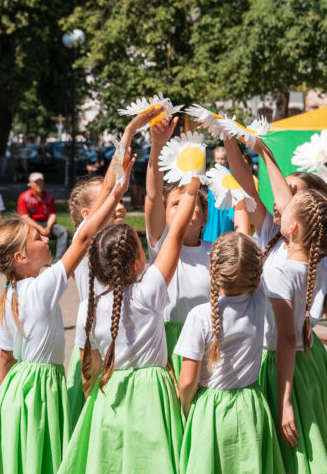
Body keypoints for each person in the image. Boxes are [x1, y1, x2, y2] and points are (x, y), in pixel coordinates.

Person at [0, 153, 133, 474]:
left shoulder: (9, 294)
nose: (46, 237)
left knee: (25, 450)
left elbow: (6, 357)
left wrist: (4, 401)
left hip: (17, 385)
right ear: (21, 256)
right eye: (37, 238)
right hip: (43, 383)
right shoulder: (43, 286)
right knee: (45, 450)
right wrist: (114, 191)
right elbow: (85, 236)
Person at [58, 178, 201, 474]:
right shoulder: (149, 289)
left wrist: (93, 399)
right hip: (154, 392)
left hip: (110, 391)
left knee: (111, 461)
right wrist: (193, 181)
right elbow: (175, 233)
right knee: (155, 461)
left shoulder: (88, 307)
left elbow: (91, 369)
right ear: (138, 263)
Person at [225, 136, 327, 462]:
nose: (280, 197)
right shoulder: (277, 237)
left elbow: (284, 336)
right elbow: (248, 189)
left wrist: (265, 150)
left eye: (291, 193)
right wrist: (228, 137)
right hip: (284, 356)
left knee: (292, 455)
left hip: (286, 359)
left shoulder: (314, 256)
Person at [64, 105, 160, 429]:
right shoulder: (86, 238)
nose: (118, 204)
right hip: (95, 341)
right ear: (88, 213)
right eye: (110, 201)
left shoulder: (119, 240)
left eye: (120, 200)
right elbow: (108, 186)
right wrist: (129, 131)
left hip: (125, 338)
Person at [175, 231, 284, 474]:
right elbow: (248, 257)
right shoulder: (258, 301)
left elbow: (187, 381)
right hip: (251, 407)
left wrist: (184, 410)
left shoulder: (199, 316)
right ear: (256, 275)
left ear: (211, 271)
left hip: (210, 412)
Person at [145, 116, 211, 375]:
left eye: (190, 204)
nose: (184, 208)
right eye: (175, 204)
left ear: (204, 217)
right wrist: (157, 146)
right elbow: (152, 194)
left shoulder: (213, 251)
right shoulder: (162, 246)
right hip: (168, 338)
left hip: (206, 339)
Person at [17, 172, 68, 261]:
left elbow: (52, 214)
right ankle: (31, 260)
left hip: (47, 224)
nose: (39, 185)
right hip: (32, 225)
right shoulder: (24, 197)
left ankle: (59, 261)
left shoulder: (49, 196)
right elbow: (24, 217)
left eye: (41, 182)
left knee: (63, 231)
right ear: (31, 184)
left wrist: (48, 227)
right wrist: (39, 228)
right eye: (37, 182)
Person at [202, 146, 235, 242]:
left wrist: (233, 214)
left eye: (222, 159)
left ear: (226, 159)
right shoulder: (211, 174)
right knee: (211, 235)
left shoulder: (230, 174)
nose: (220, 161)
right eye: (218, 158)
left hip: (225, 210)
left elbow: (234, 195)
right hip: (212, 210)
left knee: (224, 236)